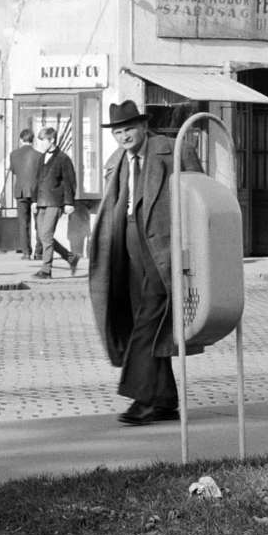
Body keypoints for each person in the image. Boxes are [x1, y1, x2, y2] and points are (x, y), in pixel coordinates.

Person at [87, 100, 182, 426]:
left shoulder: (172, 150)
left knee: (147, 321)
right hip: (125, 250)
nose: (124, 135)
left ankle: (142, 399)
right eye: (118, 131)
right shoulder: (117, 162)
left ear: (143, 127)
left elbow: (199, 198)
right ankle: (166, 401)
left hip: (163, 250)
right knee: (143, 321)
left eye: (129, 128)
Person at [33, 126, 80, 275]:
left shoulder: (63, 158)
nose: (40, 144)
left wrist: (69, 203)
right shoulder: (42, 157)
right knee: (42, 236)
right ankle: (70, 257)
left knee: (46, 235)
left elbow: (70, 181)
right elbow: (38, 180)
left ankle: (46, 270)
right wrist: (34, 201)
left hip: (55, 202)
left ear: (52, 140)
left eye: (43, 141)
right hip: (41, 202)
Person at [7, 128, 42, 257]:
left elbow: (15, 171)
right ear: (32, 140)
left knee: (24, 223)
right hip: (36, 192)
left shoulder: (13, 154)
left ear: (21, 139)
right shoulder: (39, 155)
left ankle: (26, 252)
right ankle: (39, 252)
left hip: (21, 191)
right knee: (39, 223)